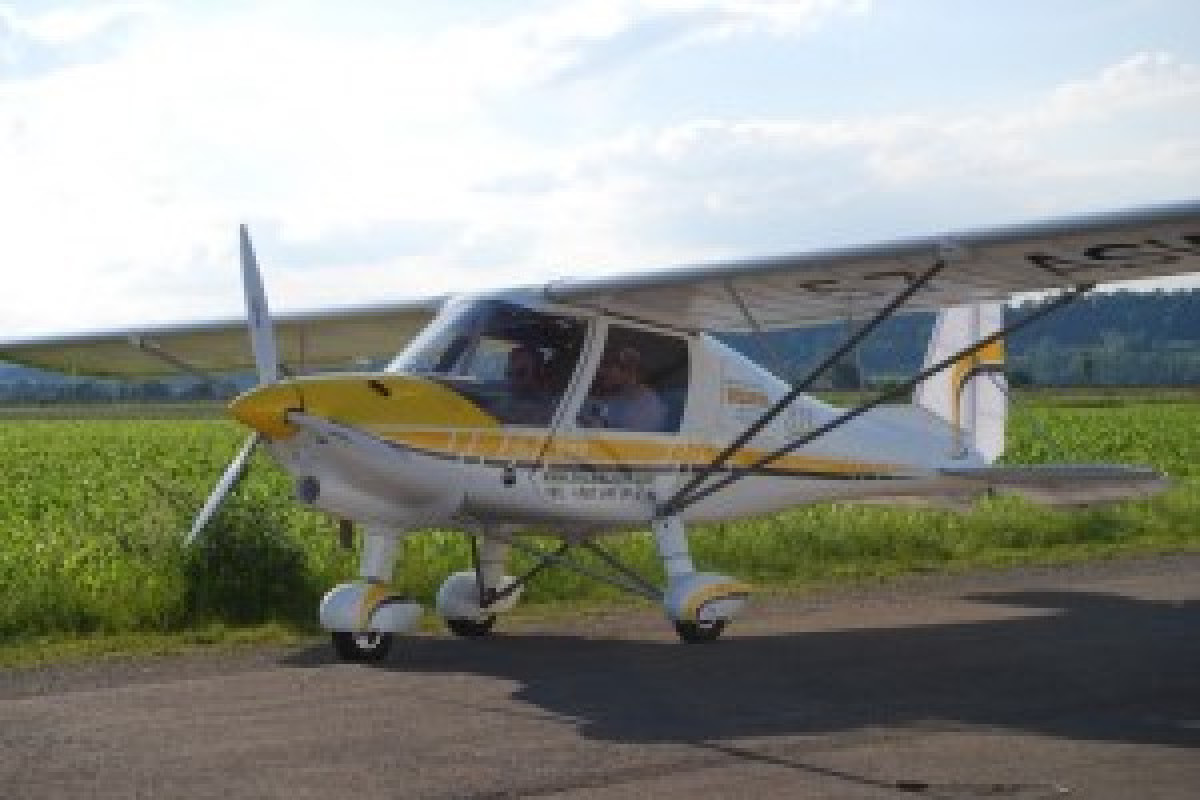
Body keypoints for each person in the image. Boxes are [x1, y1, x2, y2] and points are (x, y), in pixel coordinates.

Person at [579, 346, 668, 432]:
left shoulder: (648, 404)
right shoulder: (599, 393)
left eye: (623, 368)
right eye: (605, 365)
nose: (601, 372)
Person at [501, 345, 554, 425]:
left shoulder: (550, 407)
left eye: (521, 373)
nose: (513, 380)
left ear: (539, 373)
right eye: (509, 373)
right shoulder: (501, 393)